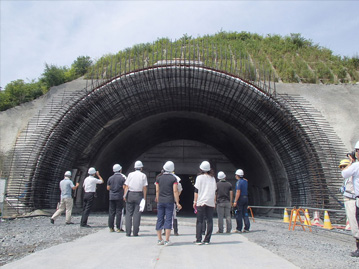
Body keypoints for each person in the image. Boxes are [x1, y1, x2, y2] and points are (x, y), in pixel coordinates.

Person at [155, 161, 182, 246]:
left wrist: (157, 198)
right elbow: (175, 191)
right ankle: (167, 240)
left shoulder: (158, 178)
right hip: (169, 201)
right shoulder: (173, 179)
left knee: (159, 219)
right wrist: (177, 202)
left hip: (160, 201)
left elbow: (157, 190)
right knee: (168, 220)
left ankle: (159, 239)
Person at [342, 141, 359, 257]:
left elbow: (344, 174)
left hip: (355, 200)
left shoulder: (356, 166)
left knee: (356, 224)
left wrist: (351, 162)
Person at [193, 161, 217, 245]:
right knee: (209, 220)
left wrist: (194, 201)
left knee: (200, 221)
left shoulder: (199, 178)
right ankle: (207, 240)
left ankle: (198, 239)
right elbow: (215, 191)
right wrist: (214, 201)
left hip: (201, 201)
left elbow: (196, 191)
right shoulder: (213, 178)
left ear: (201, 169)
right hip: (210, 201)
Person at [124, 160, 148, 236]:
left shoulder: (130, 174)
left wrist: (124, 195)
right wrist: (144, 197)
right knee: (137, 214)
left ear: (134, 167)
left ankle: (128, 232)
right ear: (141, 168)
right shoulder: (143, 175)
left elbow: (126, 186)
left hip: (130, 194)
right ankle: (135, 232)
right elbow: (144, 187)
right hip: (138, 195)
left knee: (128, 214)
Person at [107, 164, 126, 232]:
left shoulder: (110, 178)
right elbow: (124, 187)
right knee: (119, 212)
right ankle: (118, 227)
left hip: (111, 196)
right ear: (120, 170)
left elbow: (108, 188)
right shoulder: (122, 178)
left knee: (111, 212)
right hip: (119, 196)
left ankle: (111, 227)